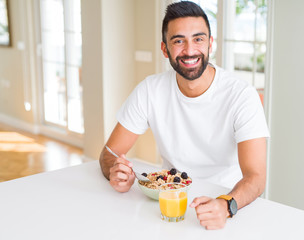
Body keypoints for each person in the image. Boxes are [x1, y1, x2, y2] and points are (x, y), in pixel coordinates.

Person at [99, 1, 269, 230]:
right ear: (164, 48)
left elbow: (256, 177)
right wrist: (115, 172)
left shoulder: (241, 95)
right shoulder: (150, 90)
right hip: (168, 206)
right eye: (178, 41)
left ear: (210, 44)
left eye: (198, 39)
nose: (189, 50)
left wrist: (226, 205)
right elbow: (109, 154)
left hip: (229, 206)